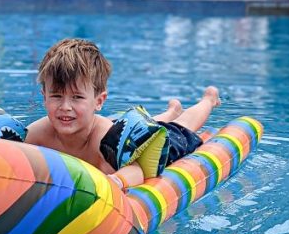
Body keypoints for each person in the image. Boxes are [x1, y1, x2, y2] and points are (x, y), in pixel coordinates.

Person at [25, 38, 221, 189]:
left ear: (99, 101)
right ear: (44, 97)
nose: (65, 106)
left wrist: (117, 181)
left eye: (77, 97)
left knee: (179, 129)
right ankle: (171, 110)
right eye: (57, 96)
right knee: (142, 126)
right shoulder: (39, 133)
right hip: (118, 128)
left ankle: (208, 99)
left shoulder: (105, 141)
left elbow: (136, 170)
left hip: (145, 146)